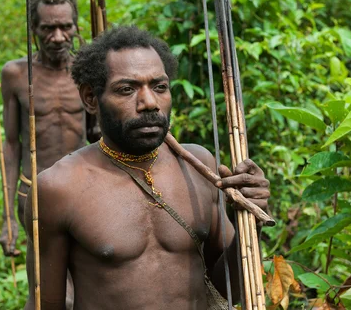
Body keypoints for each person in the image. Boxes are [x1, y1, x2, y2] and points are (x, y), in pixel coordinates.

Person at [24, 26, 271, 310]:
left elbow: (229, 291)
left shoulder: (199, 167)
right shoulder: (59, 188)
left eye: (160, 87)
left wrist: (249, 222)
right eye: (127, 89)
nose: (150, 103)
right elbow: (45, 304)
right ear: (91, 98)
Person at [0, 0, 98, 254]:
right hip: (34, 191)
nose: (57, 37)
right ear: (34, 28)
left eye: (66, 27)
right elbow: (11, 144)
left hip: (82, 190)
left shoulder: (86, 72)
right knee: (48, 285)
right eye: (47, 28)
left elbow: (97, 136)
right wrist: (8, 216)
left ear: (76, 27)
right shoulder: (16, 75)